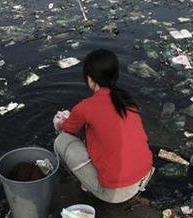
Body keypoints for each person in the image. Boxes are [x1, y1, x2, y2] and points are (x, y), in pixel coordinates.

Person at [53, 49, 154, 203]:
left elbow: (68, 129)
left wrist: (60, 122)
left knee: (61, 141)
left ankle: (86, 183)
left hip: (116, 193)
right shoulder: (127, 101)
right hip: (144, 177)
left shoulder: (85, 107)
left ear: (90, 78)